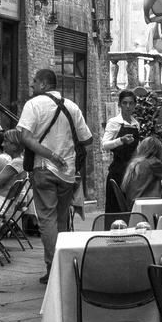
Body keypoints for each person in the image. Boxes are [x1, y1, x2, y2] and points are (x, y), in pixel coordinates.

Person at [15, 68, 94, 283]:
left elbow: (25, 137)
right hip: (67, 173)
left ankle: (54, 269)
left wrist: (51, 154)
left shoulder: (34, 104)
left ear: (42, 84)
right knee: (61, 220)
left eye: (34, 81)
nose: (31, 85)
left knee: (47, 220)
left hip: (43, 168)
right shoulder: (72, 106)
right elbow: (87, 139)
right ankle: (66, 267)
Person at [101, 89, 142, 213]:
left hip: (131, 170)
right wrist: (121, 140)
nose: (128, 106)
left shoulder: (136, 124)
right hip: (118, 170)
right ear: (119, 104)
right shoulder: (114, 122)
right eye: (124, 103)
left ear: (135, 105)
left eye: (130, 103)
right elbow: (104, 145)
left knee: (129, 207)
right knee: (115, 207)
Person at [121, 136, 162, 208]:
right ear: (157, 151)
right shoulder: (152, 162)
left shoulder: (135, 163)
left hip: (133, 204)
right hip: (145, 203)